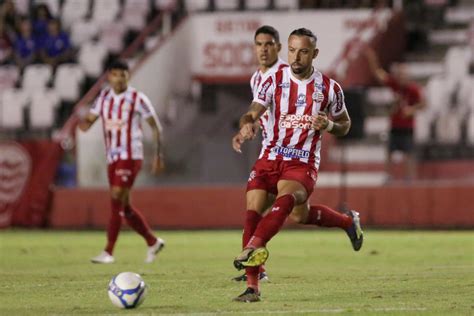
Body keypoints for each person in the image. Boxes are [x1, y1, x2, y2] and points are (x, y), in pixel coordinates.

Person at [231, 28, 363, 302]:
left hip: (301, 161)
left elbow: (345, 125)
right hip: (270, 156)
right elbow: (252, 112)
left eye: (303, 51)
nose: (296, 56)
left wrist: (328, 124)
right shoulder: (273, 81)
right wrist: (246, 125)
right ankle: (252, 288)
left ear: (314, 54)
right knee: (260, 213)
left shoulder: (329, 88)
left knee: (287, 199)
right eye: (292, 50)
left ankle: (254, 247)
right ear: (287, 50)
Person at [78, 60, 165, 264]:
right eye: (115, 74)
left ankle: (108, 251)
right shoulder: (103, 98)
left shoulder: (137, 98)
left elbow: (155, 127)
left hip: (131, 155)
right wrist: (81, 123)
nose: (119, 78)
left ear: (129, 76)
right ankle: (152, 241)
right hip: (112, 156)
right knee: (124, 208)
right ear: (109, 76)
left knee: (116, 197)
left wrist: (158, 155)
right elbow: (89, 120)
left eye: (123, 74)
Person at [364, 47, 425, 181]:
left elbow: (423, 104)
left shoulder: (413, 89)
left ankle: (409, 177)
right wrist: (372, 59)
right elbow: (378, 73)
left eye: (403, 74)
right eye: (399, 74)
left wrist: (411, 110)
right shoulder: (395, 84)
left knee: (408, 154)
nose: (401, 76)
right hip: (395, 124)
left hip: (408, 126)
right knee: (390, 152)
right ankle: (389, 176)